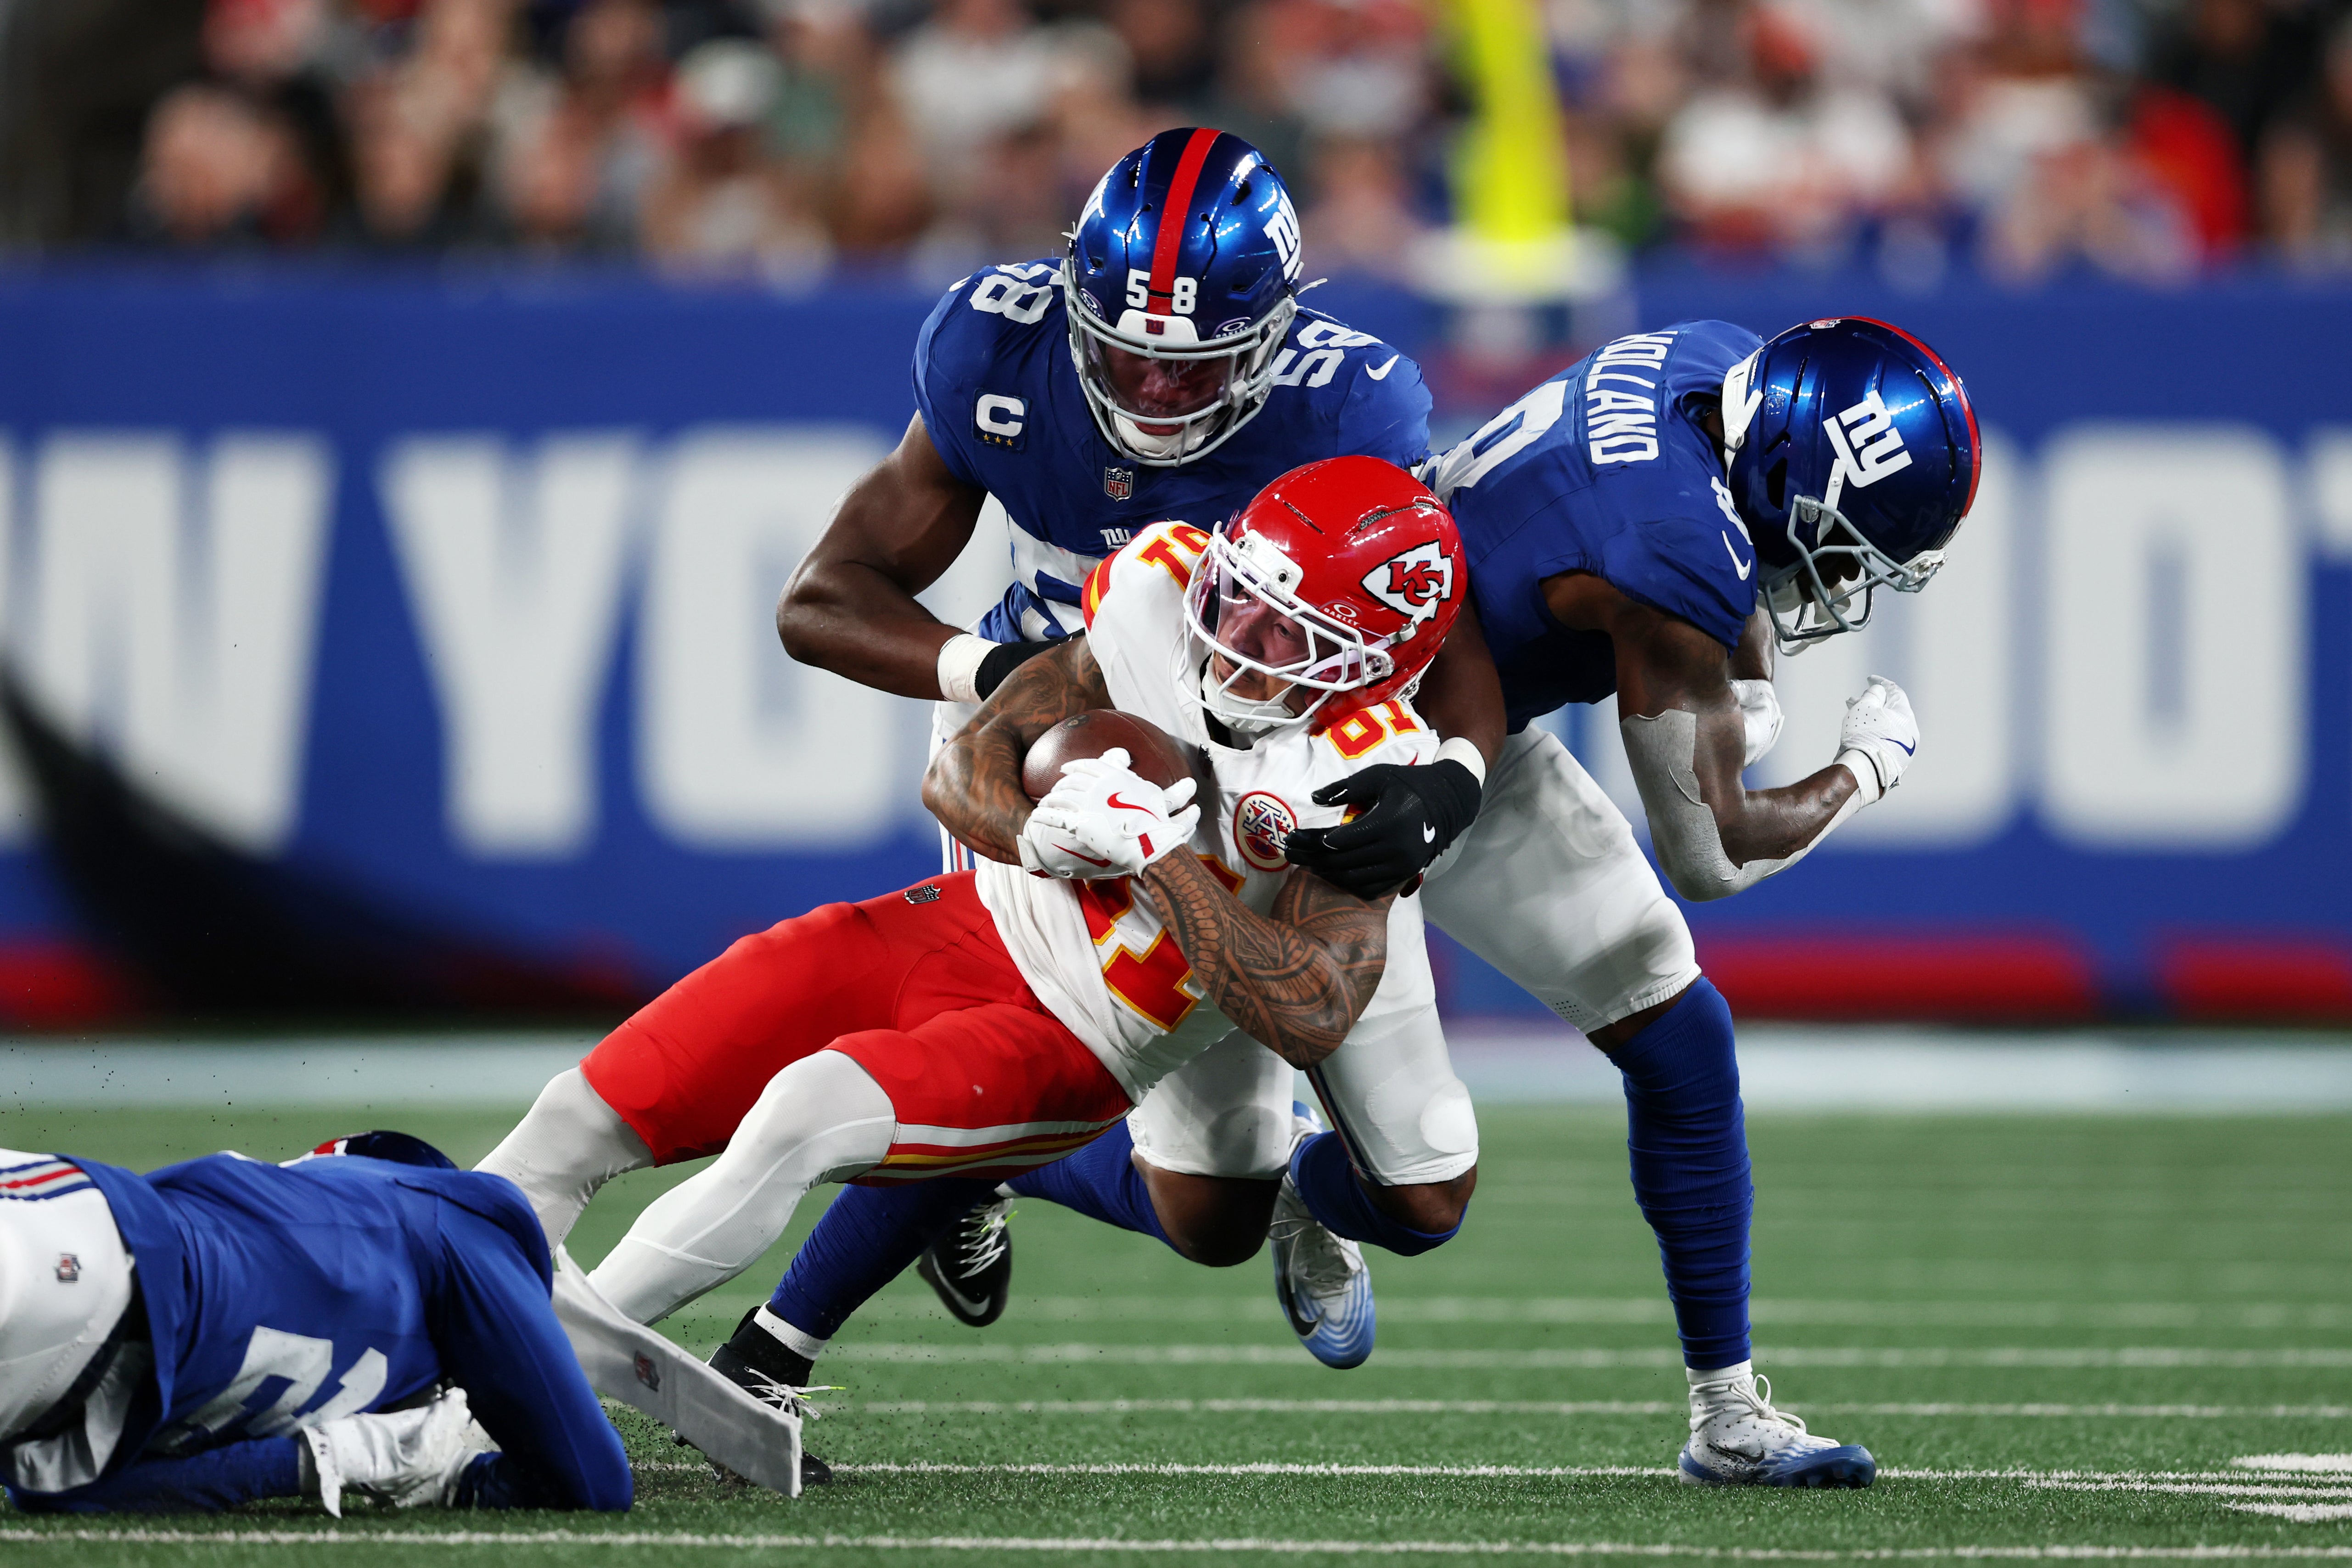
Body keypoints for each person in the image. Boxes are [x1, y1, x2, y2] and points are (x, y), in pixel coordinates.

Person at [776, 316, 1978, 1491]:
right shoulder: (1670, 555)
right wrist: (1863, 766)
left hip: (1461, 729)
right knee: (1186, 1165)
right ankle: (848, 1279)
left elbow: (1706, 587)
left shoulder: (1711, 360)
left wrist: (1734, 673)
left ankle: (1726, 1413)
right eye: (1845, 548)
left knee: (1651, 1044)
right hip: (1340, 760)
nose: (1843, 582)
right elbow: (1712, 845)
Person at [478, 456, 1469, 1481]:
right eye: (1237, 600)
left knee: (804, 1111)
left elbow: (1311, 1013)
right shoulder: (1158, 596)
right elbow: (963, 767)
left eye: (1284, 635)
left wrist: (1162, 865)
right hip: (953, 922)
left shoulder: (1364, 774)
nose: (1232, 644)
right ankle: (404, 1309)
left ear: (1372, 664)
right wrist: (1042, 829)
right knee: (581, 1108)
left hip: (1070, 1036)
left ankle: (500, 1392)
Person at [768, 124, 1504, 1371]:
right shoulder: (996, 353)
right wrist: (999, 676)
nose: (1155, 394)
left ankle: (1234, 1191)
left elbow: (1454, 623)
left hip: (1274, 760)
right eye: (1125, 358)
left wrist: (1450, 775)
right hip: (1061, 749)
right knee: (999, 1058)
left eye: (1195, 368)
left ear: (1274, 332)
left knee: (1235, 1215)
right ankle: (776, 1347)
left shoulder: (1348, 403)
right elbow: (824, 595)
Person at [0, 1131, 632, 1515]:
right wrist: (434, 1468)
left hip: (90, 1288)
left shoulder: (327, 1205)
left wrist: (345, 1456)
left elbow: (63, 1490)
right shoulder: (458, 1225)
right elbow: (595, 1483)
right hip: (103, 1267)